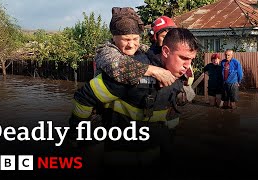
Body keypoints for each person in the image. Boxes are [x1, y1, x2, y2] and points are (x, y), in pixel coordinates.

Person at [68, 28, 200, 175]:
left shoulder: (179, 77)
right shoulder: (131, 71)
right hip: (117, 159)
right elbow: (85, 97)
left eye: (191, 60)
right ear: (166, 51)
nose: (188, 66)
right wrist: (76, 134)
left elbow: (170, 122)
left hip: (152, 158)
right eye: (183, 58)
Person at [94, 7, 176, 87]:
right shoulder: (104, 51)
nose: (131, 45)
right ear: (114, 38)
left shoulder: (142, 49)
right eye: (126, 40)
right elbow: (116, 66)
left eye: (135, 39)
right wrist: (155, 71)